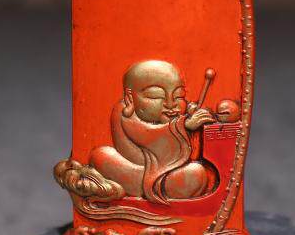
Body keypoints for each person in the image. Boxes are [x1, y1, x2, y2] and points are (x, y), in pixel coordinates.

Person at [89, 60, 215, 203]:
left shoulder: (171, 110)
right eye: (156, 96)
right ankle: (150, 189)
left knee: (196, 173)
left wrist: (190, 110)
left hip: (164, 171)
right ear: (130, 98)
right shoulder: (124, 113)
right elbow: (147, 134)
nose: (170, 104)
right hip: (138, 172)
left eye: (178, 96)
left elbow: (180, 113)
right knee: (101, 156)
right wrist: (184, 125)